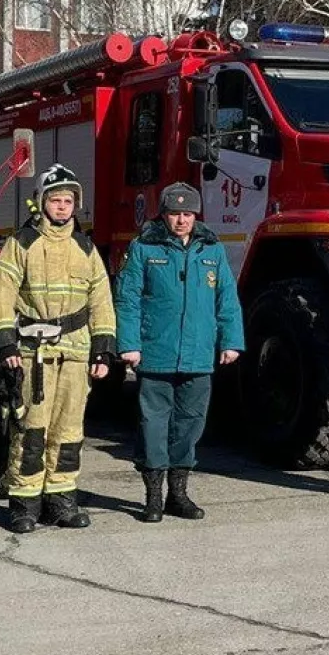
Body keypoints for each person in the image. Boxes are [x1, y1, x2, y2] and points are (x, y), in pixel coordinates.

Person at [0, 165, 117, 534]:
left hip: (76, 352)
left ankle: (61, 502)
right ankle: (24, 504)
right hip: (32, 353)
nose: (62, 207)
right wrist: (5, 342)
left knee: (69, 431)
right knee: (30, 428)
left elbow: (101, 298)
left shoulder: (85, 247)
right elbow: (0, 292)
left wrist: (103, 350)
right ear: (41, 203)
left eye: (68, 201)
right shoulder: (23, 243)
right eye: (55, 200)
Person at [114, 182, 246, 523]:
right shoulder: (144, 247)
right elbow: (127, 299)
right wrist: (128, 344)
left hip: (199, 354)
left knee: (190, 424)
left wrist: (231, 341)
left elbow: (227, 300)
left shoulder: (211, 250)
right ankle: (153, 496)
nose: (182, 220)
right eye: (175, 214)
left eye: (188, 214)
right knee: (153, 424)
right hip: (156, 352)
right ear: (164, 215)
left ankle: (179, 493)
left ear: (196, 215)